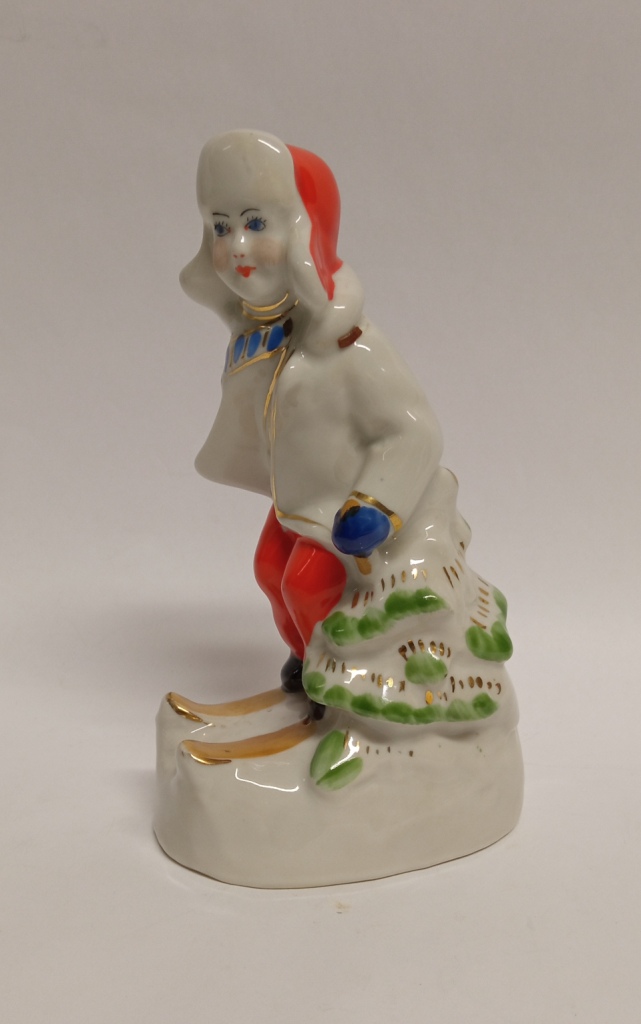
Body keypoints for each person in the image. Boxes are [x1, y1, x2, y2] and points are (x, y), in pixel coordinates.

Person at [180, 129, 514, 730]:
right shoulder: (265, 330)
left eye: (256, 223)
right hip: (299, 498)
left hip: (345, 507)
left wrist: (375, 504)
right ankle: (305, 662)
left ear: (305, 231)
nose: (236, 246)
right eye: (221, 227)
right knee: (269, 570)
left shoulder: (351, 344)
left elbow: (414, 431)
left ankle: (338, 686)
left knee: (307, 584)